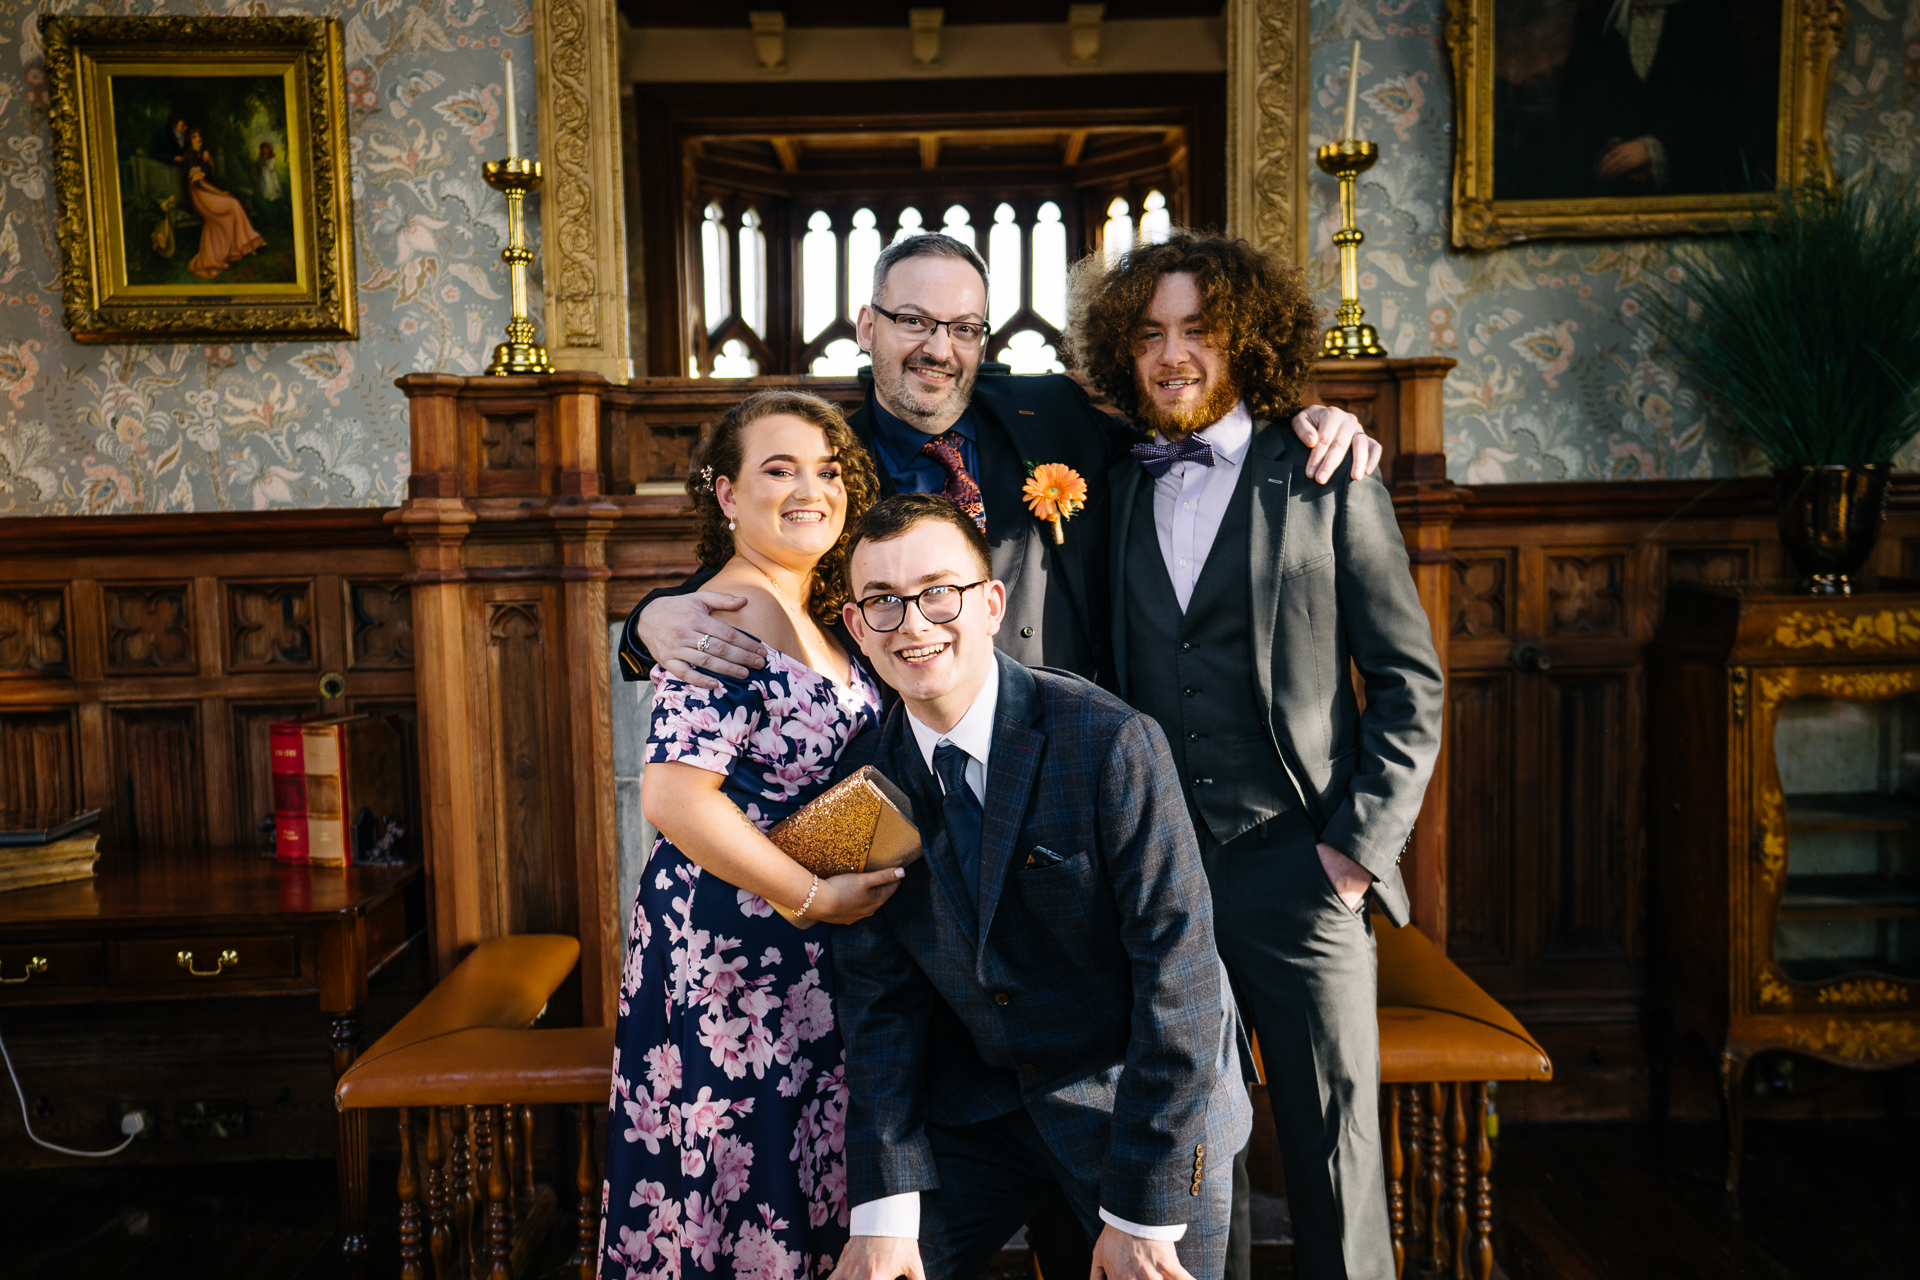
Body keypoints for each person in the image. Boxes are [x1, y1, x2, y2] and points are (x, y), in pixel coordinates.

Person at [1067, 232, 1444, 1280]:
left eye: (1199, 330)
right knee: (1191, 1146)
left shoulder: (1325, 471)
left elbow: (1412, 682)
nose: (1173, 353)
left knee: (1336, 1148)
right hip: (1165, 875)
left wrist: (1354, 854)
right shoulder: (1119, 486)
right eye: (1149, 333)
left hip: (1303, 861)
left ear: (1248, 341)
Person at [620, 233, 1380, 696]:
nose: (937, 348)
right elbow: (753, 564)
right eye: (912, 321)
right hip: (911, 769)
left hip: (1074, 753)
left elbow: (1184, 437)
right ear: (866, 327)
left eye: (962, 327)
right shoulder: (827, 461)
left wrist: (1292, 419)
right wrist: (646, 623)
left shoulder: (1050, 413)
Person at [828, 493, 1250, 1280]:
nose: (914, 623)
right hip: (981, 1108)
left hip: (1136, 1097)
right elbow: (875, 1005)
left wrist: (1141, 1215)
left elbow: (1180, 983)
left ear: (991, 603)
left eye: (938, 592)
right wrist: (883, 1215)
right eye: (883, 602)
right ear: (857, 627)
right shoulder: (858, 789)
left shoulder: (1111, 742)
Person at [600, 390, 909, 1280]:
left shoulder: (818, 616)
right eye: (779, 469)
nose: (811, 487)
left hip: (809, 958)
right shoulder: (721, 615)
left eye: (827, 470)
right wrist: (810, 898)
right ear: (726, 496)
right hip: (734, 967)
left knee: (805, 1191)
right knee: (737, 1201)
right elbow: (675, 800)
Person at [185, 130, 266, 280]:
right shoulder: (191, 157)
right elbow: (201, 183)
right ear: (189, 140)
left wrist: (211, 163)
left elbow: (210, 178)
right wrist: (220, 194)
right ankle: (248, 242)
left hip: (207, 192)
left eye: (199, 136)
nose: (198, 139)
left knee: (231, 208)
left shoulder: (202, 154)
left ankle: (233, 251)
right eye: (194, 137)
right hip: (199, 195)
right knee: (233, 204)